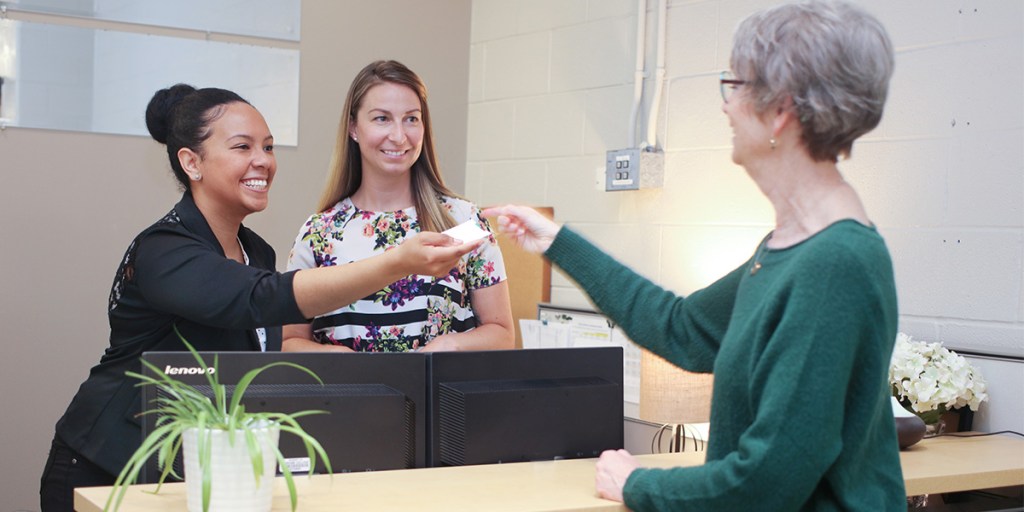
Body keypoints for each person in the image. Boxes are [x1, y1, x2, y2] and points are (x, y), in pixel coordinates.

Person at [485, 1, 905, 509]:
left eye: (736, 86)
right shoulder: (789, 248)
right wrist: (558, 243)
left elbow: (767, 481)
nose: (725, 105)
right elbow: (684, 329)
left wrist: (638, 484)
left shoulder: (834, 264)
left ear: (781, 111)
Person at [39, 84, 479, 511]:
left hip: (184, 473)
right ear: (191, 162)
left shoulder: (257, 251)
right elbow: (261, 298)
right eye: (242, 147)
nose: (262, 161)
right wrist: (396, 263)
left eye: (268, 147)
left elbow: (256, 360)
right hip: (106, 467)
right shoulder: (165, 249)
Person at [283, 60, 514, 353]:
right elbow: (289, 342)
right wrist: (339, 359)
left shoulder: (463, 222)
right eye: (382, 119)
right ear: (354, 127)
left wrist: (450, 346)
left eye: (411, 119)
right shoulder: (319, 233)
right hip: (348, 398)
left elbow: (502, 334)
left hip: (441, 397)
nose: (399, 136)